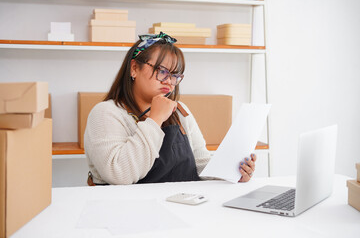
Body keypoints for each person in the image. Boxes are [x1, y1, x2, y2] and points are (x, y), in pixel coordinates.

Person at [84, 32, 256, 185]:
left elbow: (201, 163)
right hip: (128, 212)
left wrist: (231, 172)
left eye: (175, 75)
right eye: (162, 71)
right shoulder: (106, 113)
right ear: (134, 68)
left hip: (179, 206)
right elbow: (120, 174)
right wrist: (155, 119)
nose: (169, 81)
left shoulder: (180, 111)